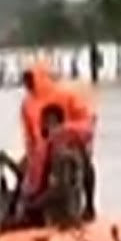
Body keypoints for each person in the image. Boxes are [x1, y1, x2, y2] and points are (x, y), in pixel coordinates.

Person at [20, 60, 98, 220]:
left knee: (81, 170)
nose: (26, 83)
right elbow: (28, 132)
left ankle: (89, 206)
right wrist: (30, 153)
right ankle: (33, 212)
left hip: (69, 143)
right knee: (28, 179)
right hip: (42, 147)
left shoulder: (65, 95)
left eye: (29, 78)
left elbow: (87, 119)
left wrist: (70, 135)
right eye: (24, 79)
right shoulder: (27, 104)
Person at [15, 104, 87, 229]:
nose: (42, 126)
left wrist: (33, 205)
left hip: (63, 217)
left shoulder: (63, 155)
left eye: (45, 122)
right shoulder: (45, 149)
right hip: (49, 213)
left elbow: (60, 189)